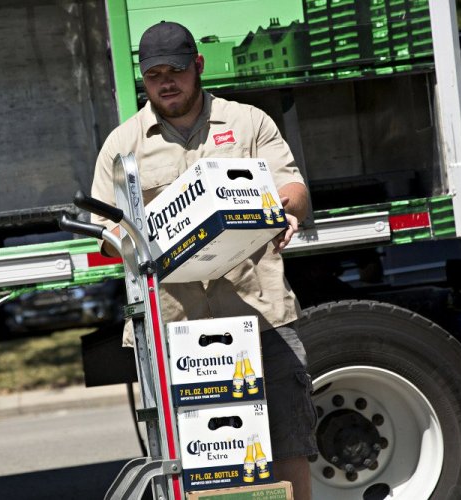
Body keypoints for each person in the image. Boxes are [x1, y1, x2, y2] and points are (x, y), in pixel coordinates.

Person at [90, 21, 317, 500]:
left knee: (287, 446)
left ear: (198, 65)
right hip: (171, 330)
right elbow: (104, 230)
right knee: (189, 464)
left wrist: (283, 211)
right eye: (154, 76)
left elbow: (295, 190)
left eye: (176, 70)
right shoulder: (122, 145)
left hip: (261, 319)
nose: (166, 83)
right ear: (143, 79)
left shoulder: (248, 123)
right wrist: (133, 244)